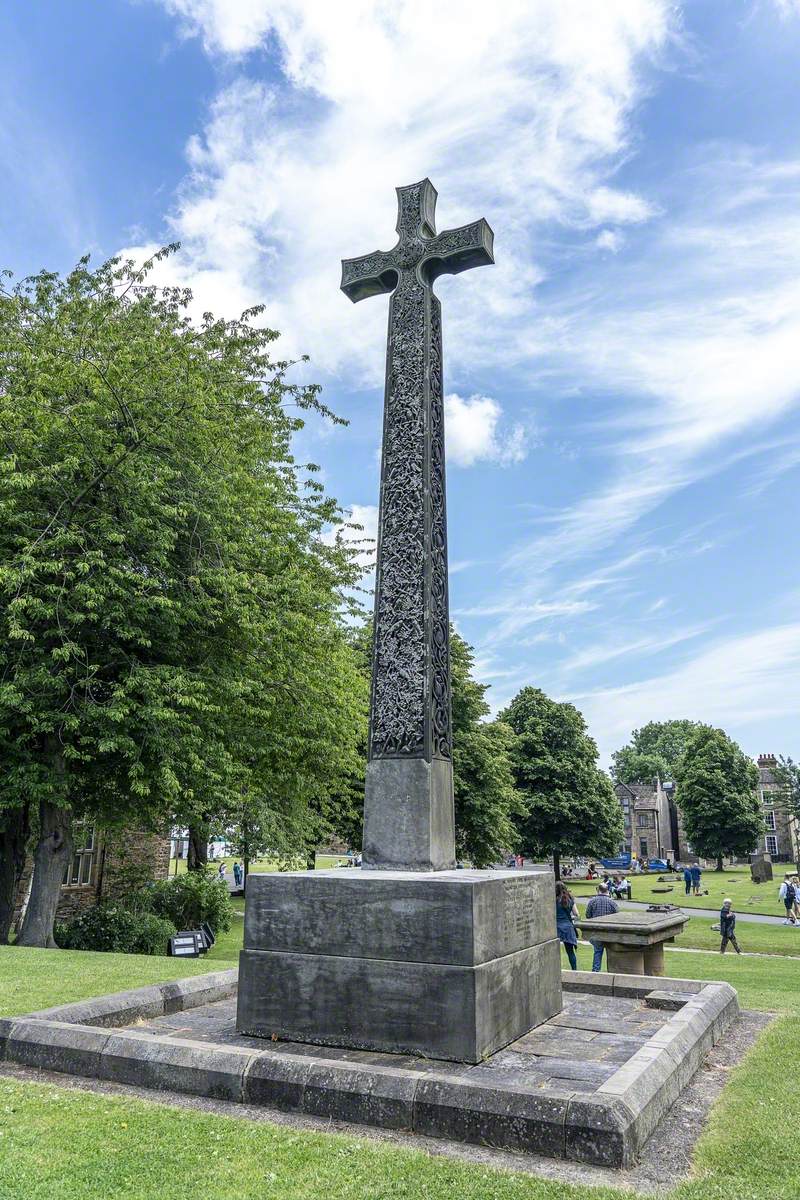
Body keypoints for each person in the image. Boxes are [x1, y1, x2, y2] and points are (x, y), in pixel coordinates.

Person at [585, 883, 618, 971]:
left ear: (598, 889)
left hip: (596, 931)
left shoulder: (592, 901)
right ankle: (612, 971)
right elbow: (618, 917)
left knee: (597, 952)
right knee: (611, 953)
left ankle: (596, 972)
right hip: (609, 932)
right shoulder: (612, 902)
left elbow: (588, 915)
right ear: (608, 890)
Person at [555, 880, 579, 970]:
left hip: (556, 927)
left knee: (555, 952)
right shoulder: (570, 899)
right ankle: (574, 970)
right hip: (568, 927)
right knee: (570, 952)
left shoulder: (553, 900)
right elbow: (576, 913)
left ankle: (556, 970)